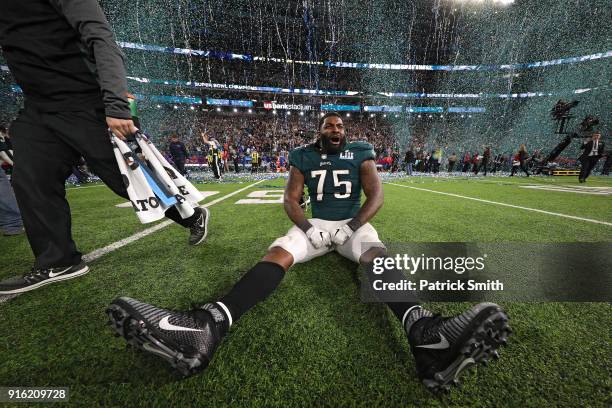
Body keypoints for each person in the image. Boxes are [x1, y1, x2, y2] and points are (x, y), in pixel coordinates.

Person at [106, 112, 511, 393]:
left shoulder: (362, 151)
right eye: (328, 125)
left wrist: (350, 228)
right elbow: (291, 198)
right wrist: (305, 229)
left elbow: (376, 196)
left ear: (345, 132)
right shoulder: (303, 155)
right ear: (319, 131)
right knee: (279, 253)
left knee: (377, 259)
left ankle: (425, 334)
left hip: (353, 225)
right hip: (316, 226)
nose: (334, 129)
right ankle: (207, 326)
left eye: (339, 125)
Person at [0, 0, 209, 295]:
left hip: (85, 100)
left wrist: (115, 102)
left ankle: (190, 215)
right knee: (31, 178)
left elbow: (101, 38)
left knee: (124, 179)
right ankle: (58, 260)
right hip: (38, 107)